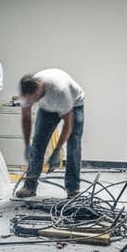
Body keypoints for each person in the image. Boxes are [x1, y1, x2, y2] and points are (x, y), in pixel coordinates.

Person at [15, 68, 85, 200]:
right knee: (38, 144)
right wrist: (26, 145)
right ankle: (29, 186)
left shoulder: (60, 90)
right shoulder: (27, 92)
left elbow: (67, 126)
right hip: (47, 108)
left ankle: (73, 189)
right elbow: (26, 118)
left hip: (74, 104)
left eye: (35, 99)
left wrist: (57, 150)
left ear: (40, 88)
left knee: (73, 145)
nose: (33, 103)